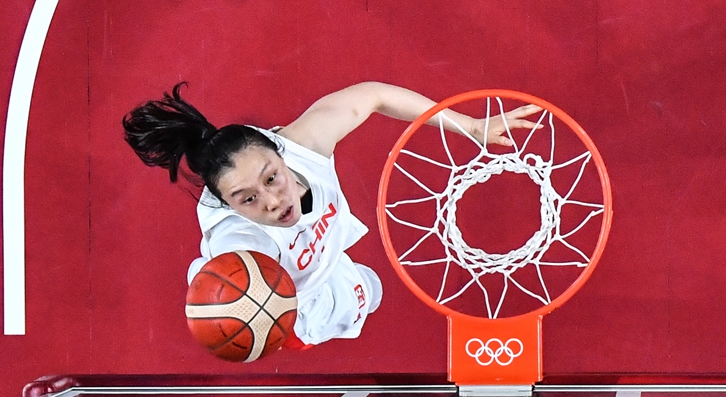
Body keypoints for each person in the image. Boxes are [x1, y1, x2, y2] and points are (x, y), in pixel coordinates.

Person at [122, 82, 539, 348]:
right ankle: (302, 331)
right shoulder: (241, 247)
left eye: (271, 179)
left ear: (281, 151)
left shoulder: (306, 143)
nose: (270, 201)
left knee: (370, 291)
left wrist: (471, 125)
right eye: (246, 199)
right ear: (226, 204)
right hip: (298, 297)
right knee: (363, 300)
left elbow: (375, 95)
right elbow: (225, 302)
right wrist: (238, 309)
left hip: (325, 253)